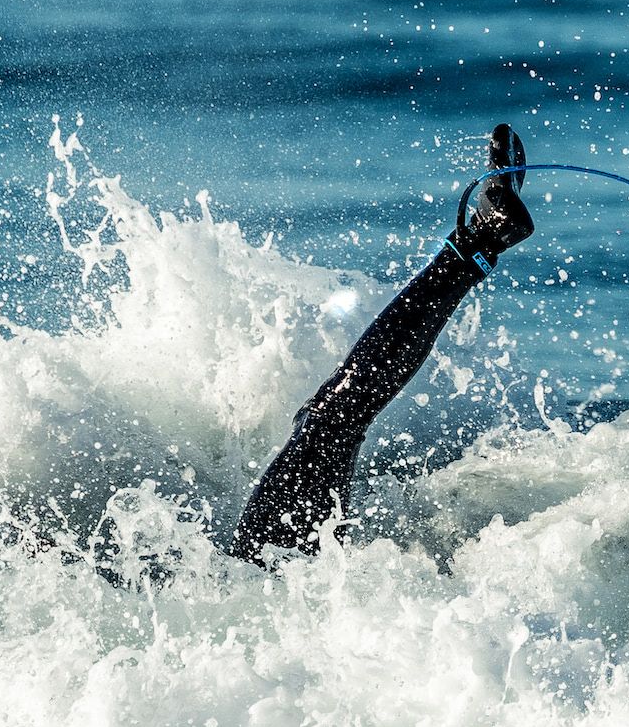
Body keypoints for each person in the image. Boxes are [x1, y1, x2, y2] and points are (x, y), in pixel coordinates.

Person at [229, 123, 536, 564]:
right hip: (270, 578)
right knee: (332, 419)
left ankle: (481, 241)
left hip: (282, 588)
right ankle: (482, 238)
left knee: (332, 422)